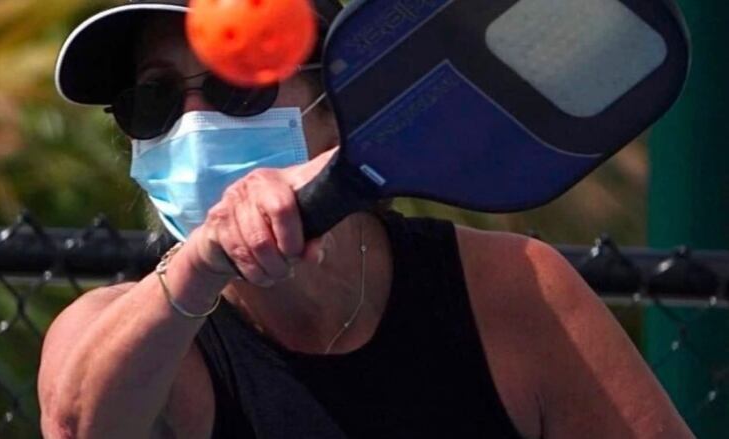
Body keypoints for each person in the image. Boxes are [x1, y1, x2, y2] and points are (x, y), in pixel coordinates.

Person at [38, 1, 694, 438]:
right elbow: (77, 425)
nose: (194, 122)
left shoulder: (515, 290)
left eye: (241, 84)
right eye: (150, 101)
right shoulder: (127, 338)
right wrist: (202, 261)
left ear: (334, 100)